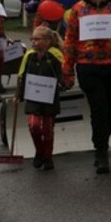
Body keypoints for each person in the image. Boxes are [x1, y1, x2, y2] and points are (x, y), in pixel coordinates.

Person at [63, 0, 111, 174]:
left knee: (108, 110)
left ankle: (103, 139)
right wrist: (67, 70)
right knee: (98, 109)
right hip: (88, 67)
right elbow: (70, 40)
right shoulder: (77, 9)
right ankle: (101, 152)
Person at [14, 26, 71, 170]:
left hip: (49, 98)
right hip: (33, 96)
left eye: (37, 39)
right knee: (33, 125)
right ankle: (39, 151)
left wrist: (63, 84)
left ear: (47, 41)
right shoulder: (29, 55)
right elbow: (22, 75)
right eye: (32, 39)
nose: (33, 42)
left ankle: (48, 156)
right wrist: (18, 94)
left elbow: (64, 73)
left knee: (47, 128)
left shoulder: (55, 55)